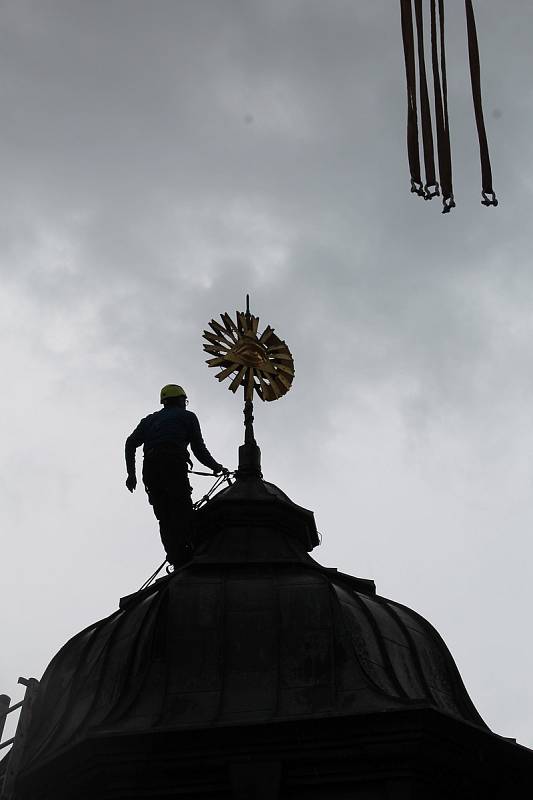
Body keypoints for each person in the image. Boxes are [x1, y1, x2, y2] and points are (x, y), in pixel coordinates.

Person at [125, 384, 225, 566]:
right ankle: (188, 550)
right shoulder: (187, 416)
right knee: (182, 508)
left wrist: (131, 475)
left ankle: (175, 556)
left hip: (150, 470)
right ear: (180, 400)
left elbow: (130, 443)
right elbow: (198, 449)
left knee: (164, 515)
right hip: (172, 464)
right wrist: (216, 467)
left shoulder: (149, 420)